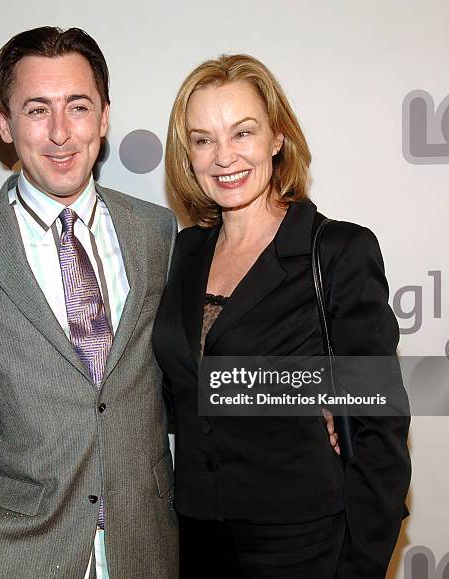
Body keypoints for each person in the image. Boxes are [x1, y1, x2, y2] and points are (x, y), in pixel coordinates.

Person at [0, 27, 178, 579]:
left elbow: (184, 374)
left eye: (78, 106)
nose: (61, 133)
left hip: (146, 548)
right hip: (9, 555)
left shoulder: (157, 232)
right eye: (37, 110)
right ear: (4, 122)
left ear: (104, 116)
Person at [152, 54, 410, 578]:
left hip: (306, 544)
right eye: (202, 139)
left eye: (242, 132)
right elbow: (182, 392)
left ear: (277, 138)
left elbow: (379, 430)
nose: (223, 156)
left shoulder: (336, 251)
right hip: (196, 539)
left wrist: (360, 566)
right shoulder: (181, 254)